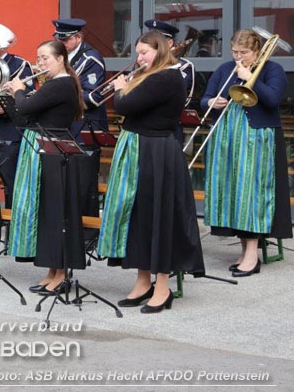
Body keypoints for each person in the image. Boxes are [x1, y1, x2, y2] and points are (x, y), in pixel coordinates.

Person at [97, 31, 204, 313]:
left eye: (145, 52)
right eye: (138, 53)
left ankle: (163, 287)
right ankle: (143, 281)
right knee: (140, 216)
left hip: (156, 152)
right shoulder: (152, 75)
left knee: (159, 217)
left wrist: (122, 86)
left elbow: (123, 105)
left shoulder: (166, 77)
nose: (139, 58)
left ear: (161, 51)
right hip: (142, 149)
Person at [201, 29, 291, 277]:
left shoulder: (273, 70)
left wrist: (250, 76)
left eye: (244, 53)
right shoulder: (224, 70)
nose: (238, 57)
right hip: (226, 138)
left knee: (251, 193)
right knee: (233, 193)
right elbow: (205, 97)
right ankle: (244, 251)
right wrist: (210, 102)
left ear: (257, 51)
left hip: (257, 138)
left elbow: (273, 100)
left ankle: (252, 255)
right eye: (234, 52)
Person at [5, 40, 88, 295]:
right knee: (45, 212)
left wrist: (19, 90)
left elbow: (26, 106)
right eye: (38, 58)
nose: (39, 63)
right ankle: (52, 270)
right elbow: (22, 116)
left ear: (61, 59)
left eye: (45, 58)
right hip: (44, 149)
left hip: (55, 152)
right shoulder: (52, 85)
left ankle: (61, 273)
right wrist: (10, 97)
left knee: (55, 212)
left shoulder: (61, 84)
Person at [52, 18, 107, 229]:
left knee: (84, 186)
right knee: (68, 184)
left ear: (78, 38)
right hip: (66, 127)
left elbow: (91, 97)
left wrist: (59, 93)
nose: (61, 42)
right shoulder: (63, 58)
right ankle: (69, 228)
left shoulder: (91, 59)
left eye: (65, 39)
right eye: (58, 38)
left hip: (85, 128)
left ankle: (86, 233)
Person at [0, 43, 34, 209]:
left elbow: (27, 98)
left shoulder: (19, 65)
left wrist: (6, 106)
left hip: (9, 132)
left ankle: (12, 224)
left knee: (11, 182)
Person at [143, 19, 195, 107]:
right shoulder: (143, 62)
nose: (151, 45)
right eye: (149, 41)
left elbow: (177, 97)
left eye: (156, 42)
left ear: (170, 43)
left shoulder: (184, 66)